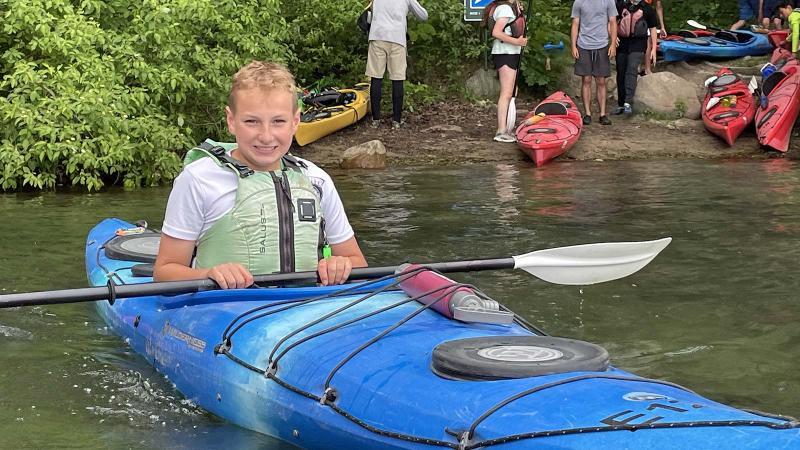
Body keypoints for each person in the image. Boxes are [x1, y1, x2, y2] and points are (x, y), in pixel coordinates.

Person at [154, 61, 368, 289]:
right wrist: (209, 274)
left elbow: (358, 265)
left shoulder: (317, 180)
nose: (266, 136)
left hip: (307, 310)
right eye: (251, 121)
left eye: (278, 121)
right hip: (226, 311)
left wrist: (340, 265)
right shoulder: (199, 180)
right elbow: (165, 272)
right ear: (231, 121)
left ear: (295, 121)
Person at [366, 0, 428, 130]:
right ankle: (396, 121)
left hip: (377, 36)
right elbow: (424, 15)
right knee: (397, 79)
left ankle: (376, 120)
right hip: (397, 38)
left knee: (376, 77)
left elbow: (369, 15)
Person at [571, 0, 618, 126]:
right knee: (586, 80)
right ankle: (587, 113)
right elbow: (575, 23)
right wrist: (573, 46)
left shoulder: (608, 1)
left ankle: (602, 114)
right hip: (583, 45)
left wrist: (613, 44)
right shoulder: (579, 2)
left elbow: (612, 22)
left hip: (601, 44)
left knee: (601, 80)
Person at [488, 0, 529, 143]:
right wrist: (517, 42)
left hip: (511, 53)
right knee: (506, 93)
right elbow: (496, 32)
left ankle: (506, 128)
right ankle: (501, 130)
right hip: (505, 53)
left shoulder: (512, 7)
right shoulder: (505, 8)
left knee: (512, 91)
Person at [614, 0, 658, 115]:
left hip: (638, 43)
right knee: (621, 71)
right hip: (622, 42)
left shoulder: (647, 8)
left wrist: (653, 48)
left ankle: (628, 102)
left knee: (632, 68)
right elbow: (612, 21)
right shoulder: (621, 5)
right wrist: (613, 37)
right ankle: (621, 103)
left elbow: (653, 28)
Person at [641, 0, 666, 75]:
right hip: (638, 10)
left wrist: (662, 26)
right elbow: (658, 7)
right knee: (647, 39)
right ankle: (647, 69)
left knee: (648, 38)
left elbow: (658, 7)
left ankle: (646, 68)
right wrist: (662, 26)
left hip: (646, 12)